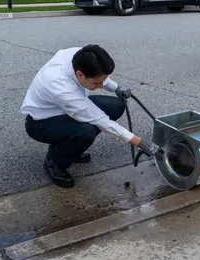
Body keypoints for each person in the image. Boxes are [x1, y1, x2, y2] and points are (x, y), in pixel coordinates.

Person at [21, 44, 159, 188]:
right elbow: (100, 120)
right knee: (86, 132)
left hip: (69, 108)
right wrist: (139, 142)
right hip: (42, 122)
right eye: (97, 83)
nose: (100, 86)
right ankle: (54, 162)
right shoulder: (61, 89)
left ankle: (72, 149)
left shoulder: (79, 55)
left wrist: (115, 87)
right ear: (80, 74)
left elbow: (101, 77)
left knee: (116, 106)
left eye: (102, 82)